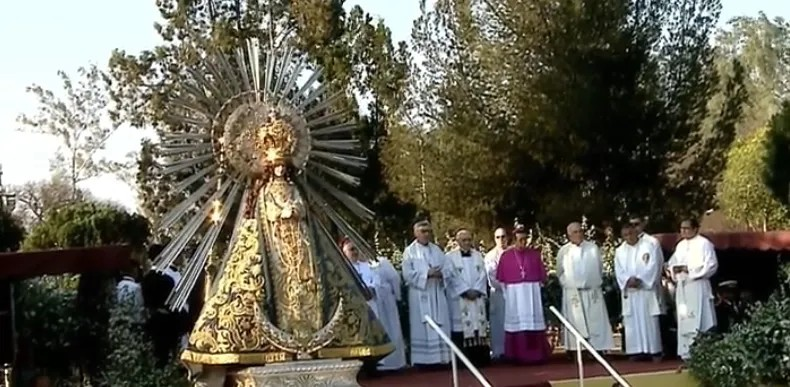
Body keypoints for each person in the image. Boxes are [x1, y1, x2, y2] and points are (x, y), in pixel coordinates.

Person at [496, 226, 551, 364]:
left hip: (531, 293)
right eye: (520, 240)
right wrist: (507, 295)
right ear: (514, 240)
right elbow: (502, 280)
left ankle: (536, 355)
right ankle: (515, 355)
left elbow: (542, 278)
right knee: (517, 323)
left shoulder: (534, 254)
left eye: (524, 240)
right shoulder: (506, 256)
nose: (523, 243)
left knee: (533, 323)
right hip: (515, 296)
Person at [402, 220, 454, 366]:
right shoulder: (410, 252)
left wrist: (441, 273)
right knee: (422, 326)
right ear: (415, 233)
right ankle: (423, 361)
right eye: (423, 231)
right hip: (420, 294)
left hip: (436, 292)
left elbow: (449, 269)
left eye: (428, 231)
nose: (426, 234)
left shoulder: (437, 250)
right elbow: (407, 275)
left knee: (440, 322)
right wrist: (427, 273)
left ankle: (442, 358)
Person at [556, 222, 615, 353]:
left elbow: (599, 268)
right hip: (573, 293)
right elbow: (559, 271)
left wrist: (593, 281)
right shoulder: (564, 251)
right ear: (569, 235)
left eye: (580, 231)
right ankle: (576, 349)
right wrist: (567, 284)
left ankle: (598, 348)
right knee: (576, 322)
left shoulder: (593, 248)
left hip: (592, 291)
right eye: (575, 232)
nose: (578, 234)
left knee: (595, 321)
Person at [667, 218, 718, 363]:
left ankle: (703, 351)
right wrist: (673, 269)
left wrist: (688, 269)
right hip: (683, 288)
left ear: (695, 229)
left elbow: (711, 265)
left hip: (698, 285)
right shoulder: (680, 246)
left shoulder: (704, 244)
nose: (683, 231)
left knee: (701, 318)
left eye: (687, 228)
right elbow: (672, 263)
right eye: (681, 228)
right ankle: (686, 352)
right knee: (684, 319)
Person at [614, 223, 662, 361]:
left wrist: (642, 280)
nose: (628, 237)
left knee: (649, 321)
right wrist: (627, 281)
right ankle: (636, 351)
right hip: (631, 292)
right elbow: (619, 270)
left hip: (646, 291)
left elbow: (654, 265)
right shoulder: (620, 251)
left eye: (630, 233)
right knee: (632, 322)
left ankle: (654, 351)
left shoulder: (648, 246)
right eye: (625, 235)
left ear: (636, 232)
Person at [446, 229, 491, 367]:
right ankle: (462, 361)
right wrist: (465, 291)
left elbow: (483, 274)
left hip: (476, 299)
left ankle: (480, 359)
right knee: (461, 327)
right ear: (457, 241)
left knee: (478, 326)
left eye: (468, 240)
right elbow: (451, 277)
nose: (466, 242)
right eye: (463, 240)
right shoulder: (449, 257)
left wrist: (477, 290)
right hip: (460, 299)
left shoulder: (478, 256)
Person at [372, 256, 407, 371]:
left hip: (386, 302)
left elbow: (394, 278)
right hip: (370, 303)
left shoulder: (381, 262)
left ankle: (395, 362)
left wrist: (397, 296)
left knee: (391, 329)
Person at [484, 227, 509, 360]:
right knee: (499, 323)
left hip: (514, 295)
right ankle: (498, 351)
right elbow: (492, 277)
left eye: (503, 236)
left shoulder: (512, 253)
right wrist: (507, 287)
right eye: (498, 237)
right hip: (498, 294)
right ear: (494, 239)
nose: (501, 240)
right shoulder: (490, 256)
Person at [342, 238, 381, 318]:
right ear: (344, 252)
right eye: (351, 249)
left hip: (371, 305)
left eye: (356, 249)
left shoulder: (367, 266)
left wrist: (372, 289)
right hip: (355, 309)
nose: (355, 252)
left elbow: (377, 280)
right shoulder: (343, 270)